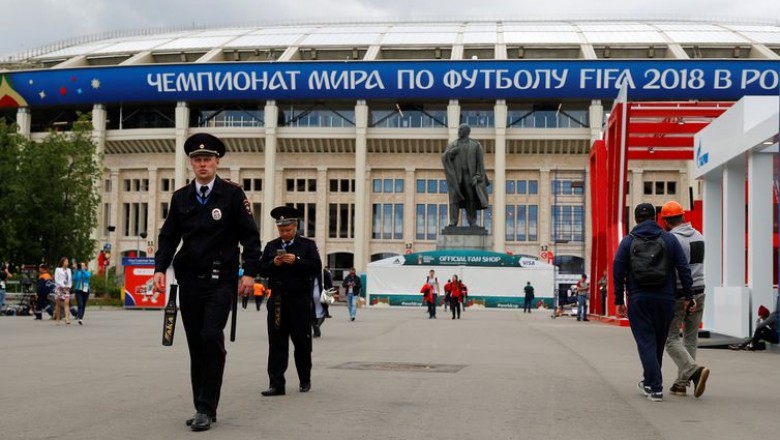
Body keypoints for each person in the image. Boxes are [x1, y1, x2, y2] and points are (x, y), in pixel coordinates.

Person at [153, 133, 261, 432]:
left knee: (211, 336)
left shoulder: (232, 195)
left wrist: (250, 273)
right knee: (196, 344)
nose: (203, 164)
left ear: (217, 162)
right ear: (191, 164)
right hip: (190, 280)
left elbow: (250, 237)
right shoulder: (181, 197)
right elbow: (168, 236)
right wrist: (159, 268)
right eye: (197, 160)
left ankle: (205, 407)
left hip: (220, 280)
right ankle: (202, 404)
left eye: (208, 159)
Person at [613, 203, 693, 402]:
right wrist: (689, 296)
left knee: (645, 342)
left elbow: (618, 270)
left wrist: (618, 299)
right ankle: (649, 381)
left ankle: (655, 387)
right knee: (657, 342)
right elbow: (683, 269)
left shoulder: (628, 241)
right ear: (656, 217)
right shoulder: (669, 239)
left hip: (638, 297)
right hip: (666, 298)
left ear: (636, 219)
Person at [259, 205, 322, 397]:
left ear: (296, 227)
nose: (284, 234)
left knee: (302, 342)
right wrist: (273, 263)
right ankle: (276, 383)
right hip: (277, 300)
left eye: (288, 230)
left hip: (299, 300)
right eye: (281, 230)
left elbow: (315, 267)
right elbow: (262, 269)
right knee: (277, 342)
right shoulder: (271, 246)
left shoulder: (307, 245)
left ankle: (305, 379)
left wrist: (297, 261)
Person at [660, 201, 710, 398]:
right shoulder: (699, 236)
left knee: (670, 338)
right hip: (700, 291)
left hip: (681, 294)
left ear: (666, 220)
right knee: (690, 338)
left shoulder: (671, 239)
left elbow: (670, 268)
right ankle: (681, 384)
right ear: (682, 216)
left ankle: (694, 371)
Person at [442, 124, 490, 227]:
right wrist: (450, 153)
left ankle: (472, 221)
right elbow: (444, 156)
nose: (459, 131)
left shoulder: (475, 145)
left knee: (470, 198)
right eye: (458, 129)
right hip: (457, 176)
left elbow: (480, 164)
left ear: (467, 131)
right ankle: (453, 221)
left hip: (470, 176)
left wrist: (478, 176)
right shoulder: (453, 145)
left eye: (461, 130)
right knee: (454, 198)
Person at [54, 257, 72, 325]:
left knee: (67, 303)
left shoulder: (69, 270)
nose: (67, 263)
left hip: (66, 289)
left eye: (68, 262)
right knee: (58, 304)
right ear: (62, 262)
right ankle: (57, 319)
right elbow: (56, 279)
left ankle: (67, 318)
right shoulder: (58, 269)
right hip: (59, 288)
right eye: (66, 261)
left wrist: (69, 286)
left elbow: (70, 279)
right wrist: (62, 286)